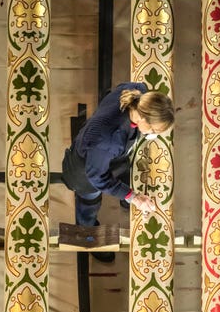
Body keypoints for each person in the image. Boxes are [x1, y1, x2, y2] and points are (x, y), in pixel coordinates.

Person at [61, 82, 174, 260]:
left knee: (123, 172)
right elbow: (97, 177)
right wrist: (134, 197)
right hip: (85, 172)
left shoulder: (136, 92)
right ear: (142, 120)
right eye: (153, 130)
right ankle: (87, 234)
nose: (153, 134)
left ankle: (123, 202)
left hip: (106, 156)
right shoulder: (109, 140)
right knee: (89, 202)